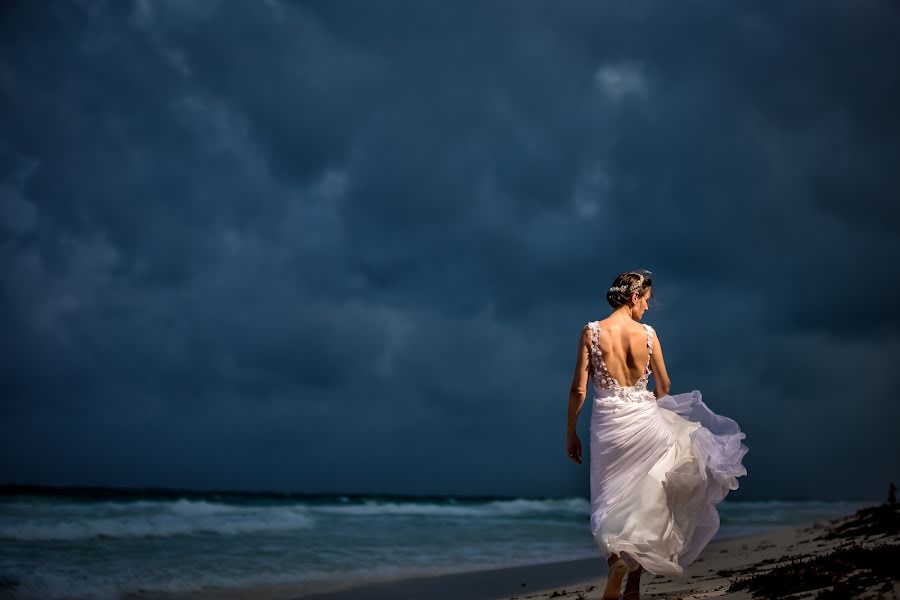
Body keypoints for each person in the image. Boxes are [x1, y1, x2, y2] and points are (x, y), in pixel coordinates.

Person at [566, 269, 748, 600]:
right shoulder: (648, 334)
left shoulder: (591, 332)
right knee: (648, 499)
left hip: (608, 425)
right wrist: (651, 403)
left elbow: (579, 389)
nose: (648, 307)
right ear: (634, 297)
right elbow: (664, 385)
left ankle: (614, 561)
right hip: (646, 422)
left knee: (607, 501)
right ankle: (633, 587)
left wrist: (570, 433)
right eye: (647, 300)